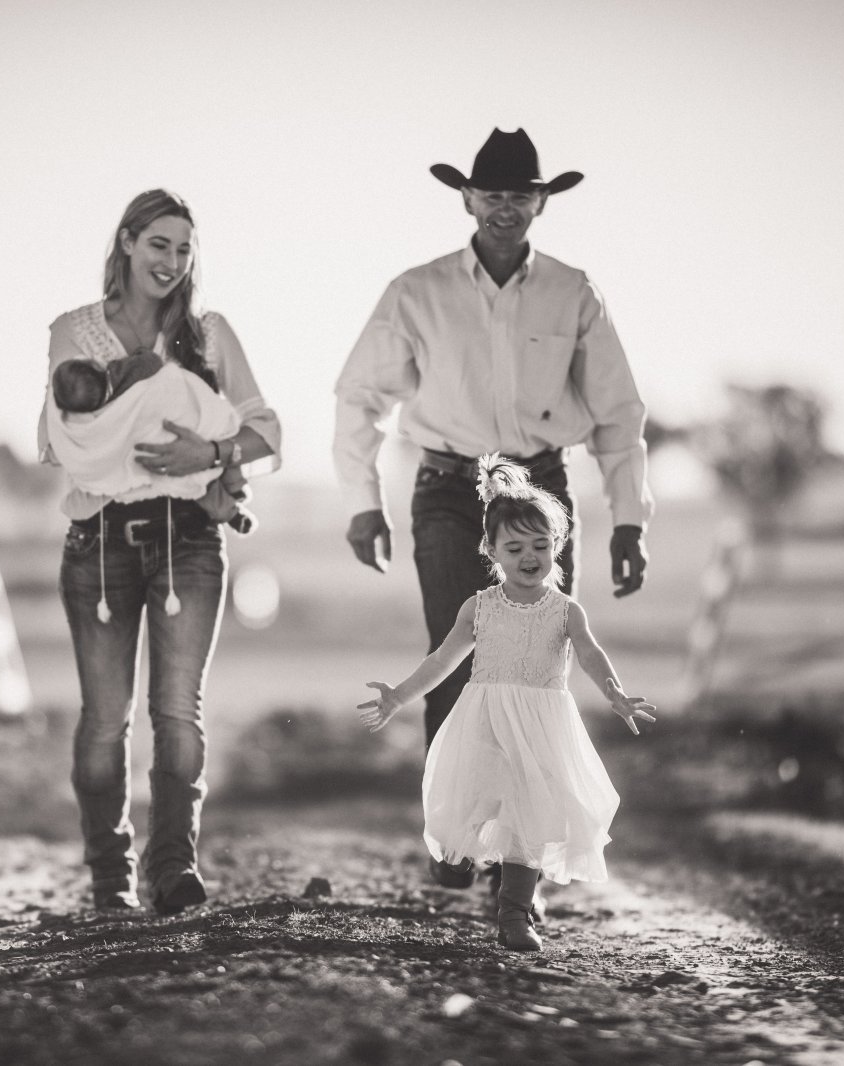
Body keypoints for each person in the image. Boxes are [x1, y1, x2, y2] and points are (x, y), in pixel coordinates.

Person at [333, 127, 655, 888]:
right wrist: (362, 502)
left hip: (541, 491)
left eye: (520, 196)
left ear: (541, 204)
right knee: (456, 658)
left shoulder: (574, 292)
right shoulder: (417, 291)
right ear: (468, 200)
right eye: (491, 195)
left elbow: (618, 412)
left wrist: (629, 519)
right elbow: (360, 394)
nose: (504, 208)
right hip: (449, 489)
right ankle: (457, 836)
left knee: (539, 668)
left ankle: (521, 868)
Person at [37, 188, 281, 914]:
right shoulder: (73, 332)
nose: (171, 262)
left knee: (177, 714)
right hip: (99, 541)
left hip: (189, 542)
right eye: (158, 245)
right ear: (126, 242)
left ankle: (172, 869)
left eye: (183, 250)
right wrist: (131, 428)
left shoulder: (210, 334)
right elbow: (64, 432)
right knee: (103, 720)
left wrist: (210, 452)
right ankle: (109, 877)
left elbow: (267, 434)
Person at [359, 456, 657, 951]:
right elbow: (442, 660)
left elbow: (590, 654)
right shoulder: (479, 607)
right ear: (492, 550)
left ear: (557, 545)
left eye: (540, 545)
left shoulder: (566, 610)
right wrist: (398, 696)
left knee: (527, 821)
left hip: (541, 731)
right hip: (485, 725)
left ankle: (514, 914)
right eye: (514, 547)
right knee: (472, 804)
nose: (528, 556)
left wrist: (616, 693)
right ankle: (455, 860)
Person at [48, 350, 258, 534]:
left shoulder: (89, 424)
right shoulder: (124, 371)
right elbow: (151, 362)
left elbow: (97, 454)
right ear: (96, 366)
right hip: (176, 433)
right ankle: (235, 486)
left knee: (195, 484)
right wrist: (139, 353)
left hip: (156, 459)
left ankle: (229, 513)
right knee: (217, 431)